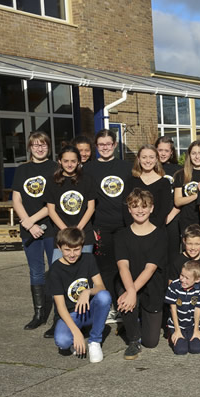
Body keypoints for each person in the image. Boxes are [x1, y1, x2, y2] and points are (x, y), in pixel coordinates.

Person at [83, 129, 132, 323]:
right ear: (97, 147)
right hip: (100, 226)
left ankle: (124, 303)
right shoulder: (88, 169)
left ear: (114, 145)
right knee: (105, 269)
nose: (105, 147)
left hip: (123, 225)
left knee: (124, 267)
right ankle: (109, 306)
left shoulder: (126, 167)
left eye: (108, 144)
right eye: (101, 144)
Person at [115, 188, 168, 360]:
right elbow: (123, 266)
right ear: (129, 209)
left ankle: (137, 318)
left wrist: (132, 292)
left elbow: (150, 268)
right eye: (135, 206)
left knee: (151, 341)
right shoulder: (121, 235)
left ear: (151, 208)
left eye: (144, 206)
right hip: (128, 281)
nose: (140, 210)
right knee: (125, 295)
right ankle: (132, 339)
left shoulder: (160, 235)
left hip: (152, 284)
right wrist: (130, 293)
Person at [12, 131, 56, 333]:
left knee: (56, 271)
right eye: (36, 145)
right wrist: (29, 225)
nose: (40, 148)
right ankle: (39, 314)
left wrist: (33, 220)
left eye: (43, 144)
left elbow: (53, 203)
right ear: (30, 148)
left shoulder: (55, 167)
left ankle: (59, 317)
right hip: (30, 230)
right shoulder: (22, 169)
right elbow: (17, 200)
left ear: (48, 146)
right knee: (36, 271)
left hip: (50, 227)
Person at [47, 227, 111, 363]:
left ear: (82, 246)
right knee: (63, 342)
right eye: (67, 250)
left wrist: (88, 291)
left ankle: (95, 341)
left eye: (76, 249)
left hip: (88, 310)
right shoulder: (55, 270)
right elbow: (61, 307)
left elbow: (101, 287)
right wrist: (76, 332)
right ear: (59, 247)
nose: (72, 254)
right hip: (70, 314)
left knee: (104, 296)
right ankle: (78, 334)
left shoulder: (88, 259)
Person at [45, 145, 95, 263]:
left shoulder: (87, 180)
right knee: (59, 274)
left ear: (78, 161)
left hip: (83, 234)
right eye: (66, 161)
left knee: (84, 274)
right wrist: (66, 232)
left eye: (73, 161)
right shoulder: (52, 181)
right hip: (61, 235)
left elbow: (91, 207)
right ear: (59, 161)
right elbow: (51, 210)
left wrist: (77, 230)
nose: (69, 164)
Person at [167, 224, 200, 326]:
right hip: (185, 294)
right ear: (184, 241)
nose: (193, 248)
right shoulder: (177, 261)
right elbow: (171, 285)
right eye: (189, 243)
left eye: (197, 244)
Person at [125, 144, 176, 228]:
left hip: (156, 230)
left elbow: (164, 210)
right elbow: (125, 207)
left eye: (151, 157)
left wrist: (150, 229)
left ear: (156, 159)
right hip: (133, 230)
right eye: (144, 157)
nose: (148, 161)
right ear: (138, 159)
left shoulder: (164, 183)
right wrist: (133, 228)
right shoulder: (131, 181)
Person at [164, 260, 200, 355]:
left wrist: (196, 330)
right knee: (180, 350)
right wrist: (177, 330)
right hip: (178, 323)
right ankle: (171, 333)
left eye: (187, 278)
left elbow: (198, 309)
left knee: (196, 349)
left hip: (192, 324)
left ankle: (191, 334)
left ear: (197, 280)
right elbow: (173, 308)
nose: (182, 280)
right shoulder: (174, 285)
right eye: (181, 275)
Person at [155, 136, 182, 265]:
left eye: (166, 150)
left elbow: (182, 196)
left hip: (173, 218)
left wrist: (170, 216)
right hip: (153, 218)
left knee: (172, 254)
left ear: (172, 152)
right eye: (160, 150)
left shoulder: (178, 170)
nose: (163, 153)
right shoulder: (149, 168)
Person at [174, 141, 200, 237]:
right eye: (193, 153)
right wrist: (197, 195)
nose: (197, 157)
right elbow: (177, 201)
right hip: (187, 221)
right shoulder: (181, 174)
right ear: (189, 155)